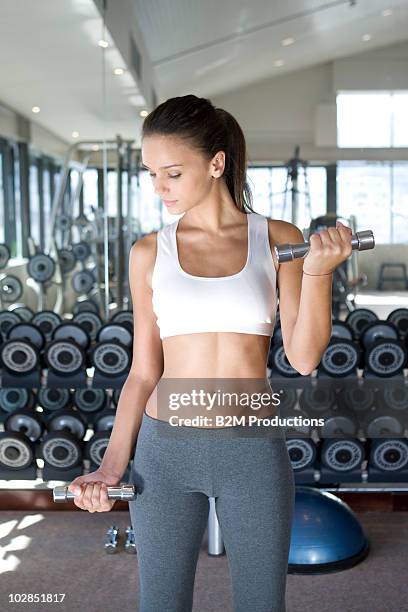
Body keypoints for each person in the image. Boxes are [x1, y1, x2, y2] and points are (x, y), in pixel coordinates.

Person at [68, 94, 353, 612]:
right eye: (151, 174)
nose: (160, 189)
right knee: (162, 603)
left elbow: (306, 357)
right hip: (166, 452)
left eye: (172, 173)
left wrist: (318, 271)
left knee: (262, 604)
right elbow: (142, 372)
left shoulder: (279, 240)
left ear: (216, 163)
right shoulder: (150, 252)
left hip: (251, 448)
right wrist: (110, 469)